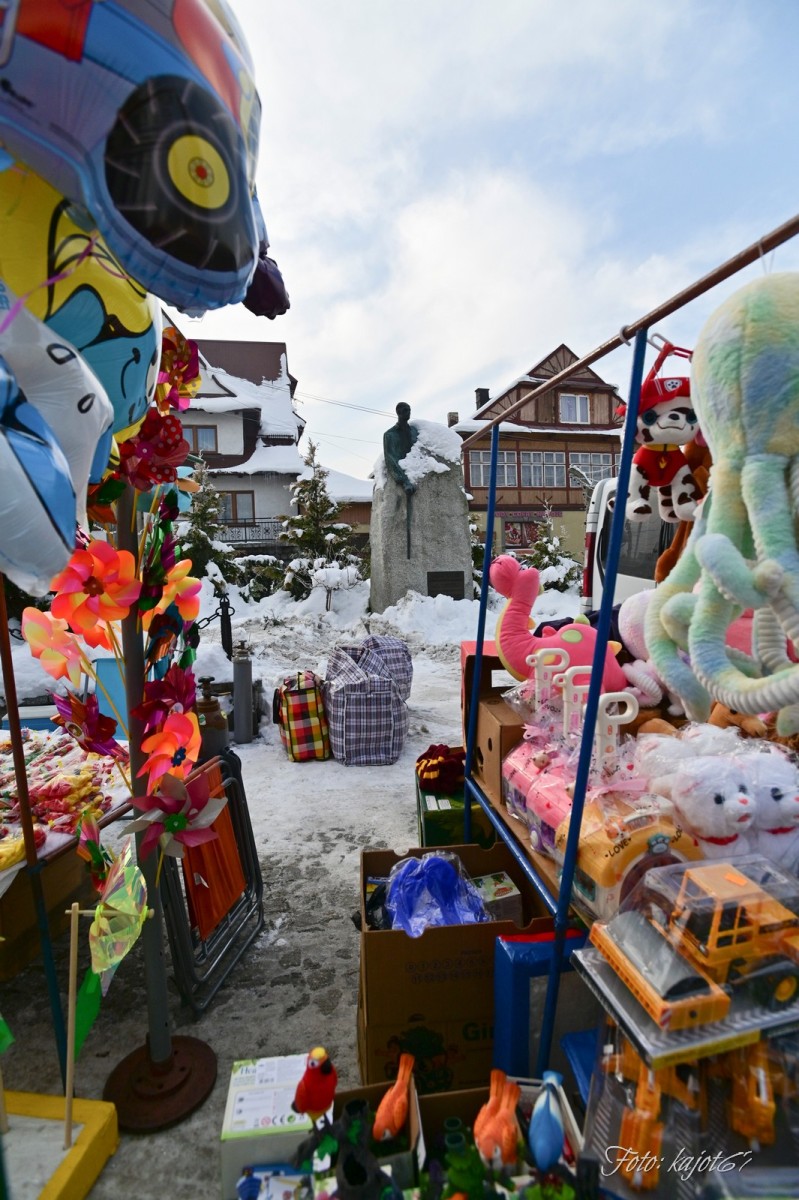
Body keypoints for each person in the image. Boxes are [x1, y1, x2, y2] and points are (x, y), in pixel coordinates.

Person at [383, 402, 418, 493]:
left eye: (409, 410)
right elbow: (390, 459)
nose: (408, 412)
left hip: (416, 472)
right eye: (405, 410)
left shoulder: (414, 431)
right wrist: (404, 481)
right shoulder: (390, 434)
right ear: (398, 412)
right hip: (402, 477)